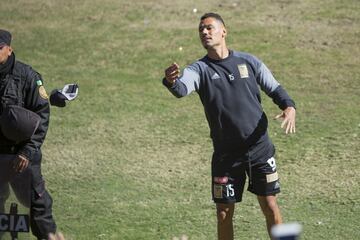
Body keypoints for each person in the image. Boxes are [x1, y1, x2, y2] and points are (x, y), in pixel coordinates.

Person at [162, 13, 296, 240]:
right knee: (223, 212)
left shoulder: (249, 62)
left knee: (270, 205)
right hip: (226, 155)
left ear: (224, 31)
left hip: (259, 149)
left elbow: (274, 88)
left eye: (209, 28)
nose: (204, 32)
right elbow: (182, 89)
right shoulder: (199, 69)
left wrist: (289, 106)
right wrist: (171, 81)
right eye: (201, 30)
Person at [0, 29, 57, 239]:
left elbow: (41, 116)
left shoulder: (28, 77)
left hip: (21, 157)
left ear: (9, 49)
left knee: (37, 203)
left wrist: (27, 152)